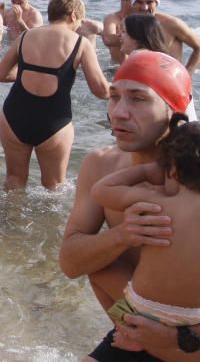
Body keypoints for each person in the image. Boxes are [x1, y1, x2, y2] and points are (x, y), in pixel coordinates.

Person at [59, 51, 196, 360]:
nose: (118, 112)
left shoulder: (195, 180)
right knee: (101, 265)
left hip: (191, 338)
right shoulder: (101, 165)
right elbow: (70, 263)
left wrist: (180, 337)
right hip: (138, 331)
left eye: (138, 99)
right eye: (114, 97)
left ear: (175, 110)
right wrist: (121, 236)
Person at [90, 121, 200, 360]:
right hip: (194, 320)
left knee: (100, 269)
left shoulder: (156, 202)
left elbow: (101, 190)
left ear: (171, 171)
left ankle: (129, 332)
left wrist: (146, 171)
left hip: (145, 312)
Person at [0, 0, 109, 190]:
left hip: (14, 116)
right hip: (54, 122)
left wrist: (30, 74)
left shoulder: (25, 36)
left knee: (13, 181)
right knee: (54, 187)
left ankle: (10, 221)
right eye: (80, 20)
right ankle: (50, 222)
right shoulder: (81, 43)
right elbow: (100, 90)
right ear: (73, 16)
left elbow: (1, 74)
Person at [129, 0, 200, 73]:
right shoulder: (128, 26)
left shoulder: (172, 24)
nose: (144, 7)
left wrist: (188, 74)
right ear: (132, 3)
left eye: (149, 2)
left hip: (171, 78)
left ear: (156, 3)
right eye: (139, 2)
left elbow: (198, 47)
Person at [102, 0, 135, 65]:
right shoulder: (113, 18)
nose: (137, 3)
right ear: (123, 1)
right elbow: (108, 39)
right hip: (116, 67)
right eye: (134, 0)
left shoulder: (143, 18)